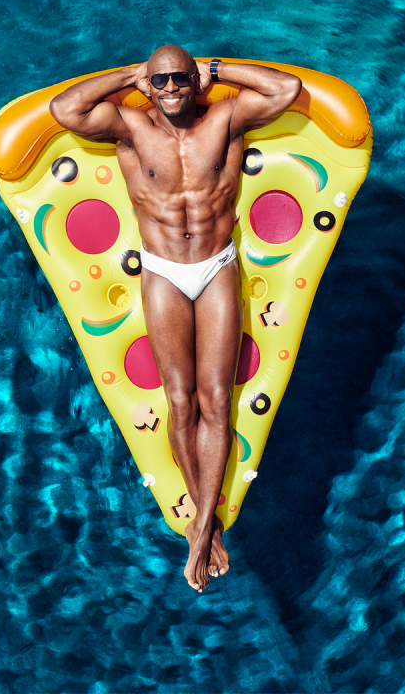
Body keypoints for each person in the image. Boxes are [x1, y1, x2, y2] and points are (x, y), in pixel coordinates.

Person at [50, 45, 301, 592]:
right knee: (180, 399)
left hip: (216, 267)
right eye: (159, 79)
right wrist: (126, 74)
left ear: (194, 80)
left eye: (179, 78)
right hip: (163, 270)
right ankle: (204, 531)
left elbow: (284, 92)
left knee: (216, 397)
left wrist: (217, 70)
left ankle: (202, 526)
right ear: (148, 81)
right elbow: (65, 111)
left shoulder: (226, 120)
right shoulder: (130, 126)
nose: (169, 89)